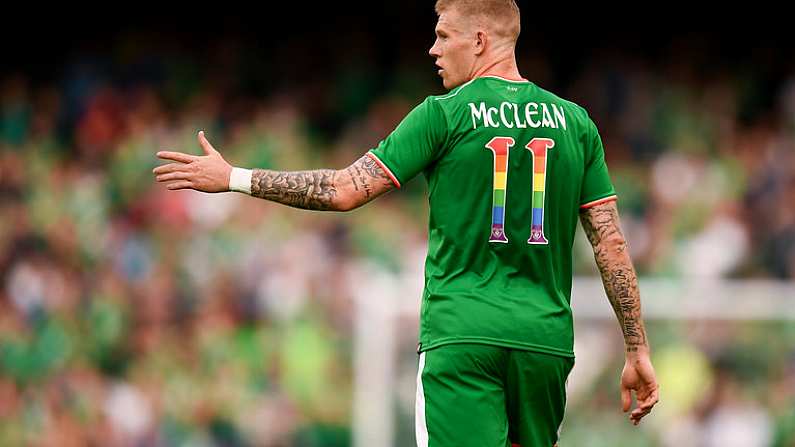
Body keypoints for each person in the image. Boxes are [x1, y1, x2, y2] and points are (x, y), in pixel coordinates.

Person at [152, 0, 660, 445]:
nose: (432, 50)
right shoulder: (577, 123)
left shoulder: (443, 114)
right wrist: (636, 347)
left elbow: (345, 189)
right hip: (544, 342)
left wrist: (235, 177)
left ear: (480, 40)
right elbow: (610, 244)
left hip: (463, 336)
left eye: (443, 35)